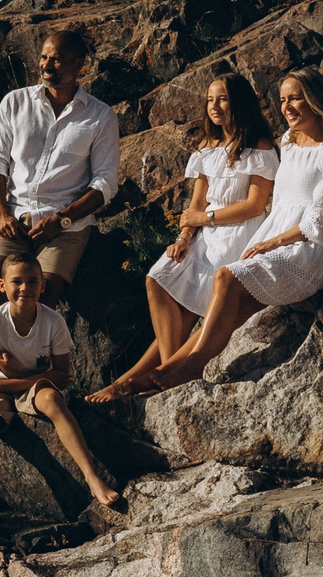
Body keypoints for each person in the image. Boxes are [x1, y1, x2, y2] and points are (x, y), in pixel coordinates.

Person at [98, 67, 323, 396]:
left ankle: (190, 368)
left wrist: (273, 241)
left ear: (316, 99)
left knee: (226, 277)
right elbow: (278, 204)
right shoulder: (290, 142)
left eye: (295, 98)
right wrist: (189, 235)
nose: (287, 107)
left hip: (315, 248)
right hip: (278, 239)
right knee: (229, 304)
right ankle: (164, 371)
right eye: (283, 100)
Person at [88, 73, 276, 402]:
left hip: (239, 234)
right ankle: (165, 374)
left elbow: (255, 205)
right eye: (210, 100)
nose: (214, 106)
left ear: (239, 102)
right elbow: (197, 203)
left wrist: (205, 219)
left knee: (189, 312)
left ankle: (137, 381)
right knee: (157, 279)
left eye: (223, 99)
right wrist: (185, 237)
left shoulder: (259, 146)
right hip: (204, 234)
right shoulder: (208, 148)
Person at [0, 255, 123, 543]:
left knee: (53, 401)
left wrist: (18, 374)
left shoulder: (52, 321)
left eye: (32, 281)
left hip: (32, 386)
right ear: (2, 286)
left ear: (43, 286)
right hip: (1, 388)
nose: (24, 288)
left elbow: (63, 376)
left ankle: (92, 478)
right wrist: (26, 377)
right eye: (16, 281)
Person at [0, 26, 119, 310]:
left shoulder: (100, 116)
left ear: (79, 65)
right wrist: (2, 214)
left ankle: (36, 341)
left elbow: (105, 183)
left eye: (57, 59)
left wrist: (62, 219)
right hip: (16, 219)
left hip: (66, 228)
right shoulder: (15, 102)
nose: (46, 65)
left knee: (43, 293)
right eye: (43, 57)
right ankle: (0, 340)